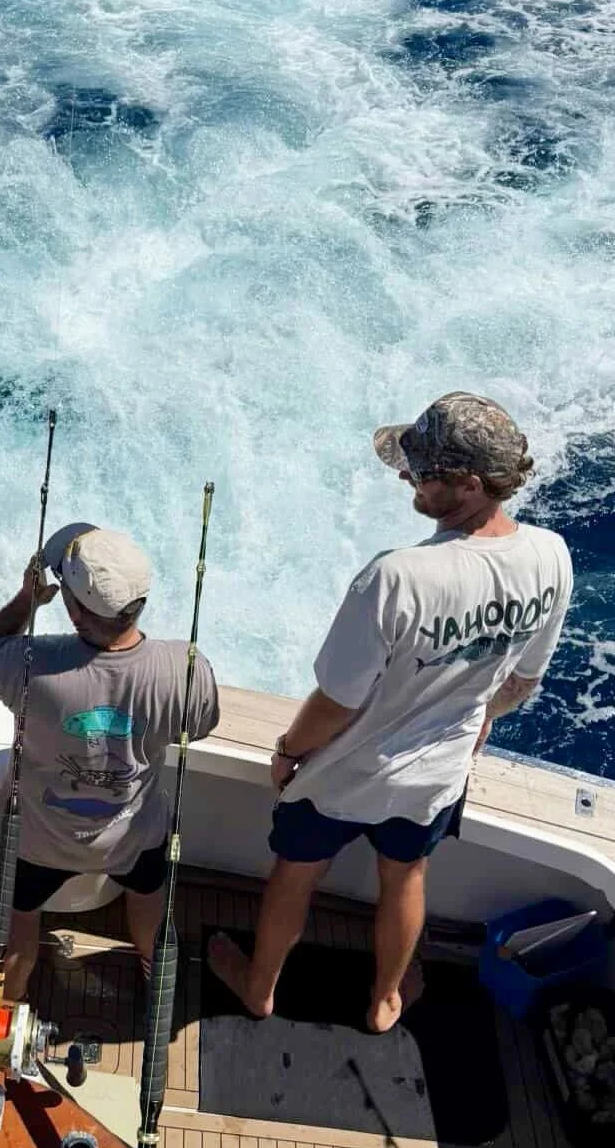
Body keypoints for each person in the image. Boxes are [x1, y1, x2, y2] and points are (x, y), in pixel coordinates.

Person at [209, 392, 574, 1034]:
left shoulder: (396, 576)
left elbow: (336, 703)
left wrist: (289, 751)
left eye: (422, 472)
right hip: (435, 780)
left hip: (342, 777)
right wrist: (479, 718)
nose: (408, 478)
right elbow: (521, 682)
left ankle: (259, 989)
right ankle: (383, 1003)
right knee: (406, 876)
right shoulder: (551, 556)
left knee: (295, 875)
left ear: (469, 485)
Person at [0, 523, 220, 1001]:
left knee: (18, 935)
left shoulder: (26, 661)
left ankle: (5, 1008)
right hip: (132, 835)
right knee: (149, 908)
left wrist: (26, 602)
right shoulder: (186, 669)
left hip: (35, 839)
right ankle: (158, 985)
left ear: (74, 610)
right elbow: (200, 726)